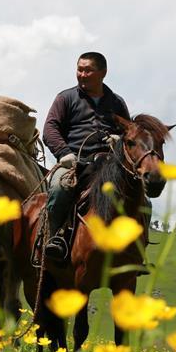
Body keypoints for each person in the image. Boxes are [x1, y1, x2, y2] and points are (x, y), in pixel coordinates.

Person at [42, 52, 130, 261]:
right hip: (74, 162)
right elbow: (50, 128)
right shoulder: (66, 97)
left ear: (103, 73)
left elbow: (130, 131)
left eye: (87, 70)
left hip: (110, 165)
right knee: (59, 187)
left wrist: (120, 139)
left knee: (141, 197)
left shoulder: (117, 102)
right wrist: (64, 153)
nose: (81, 74)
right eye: (79, 69)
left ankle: (136, 249)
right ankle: (54, 237)